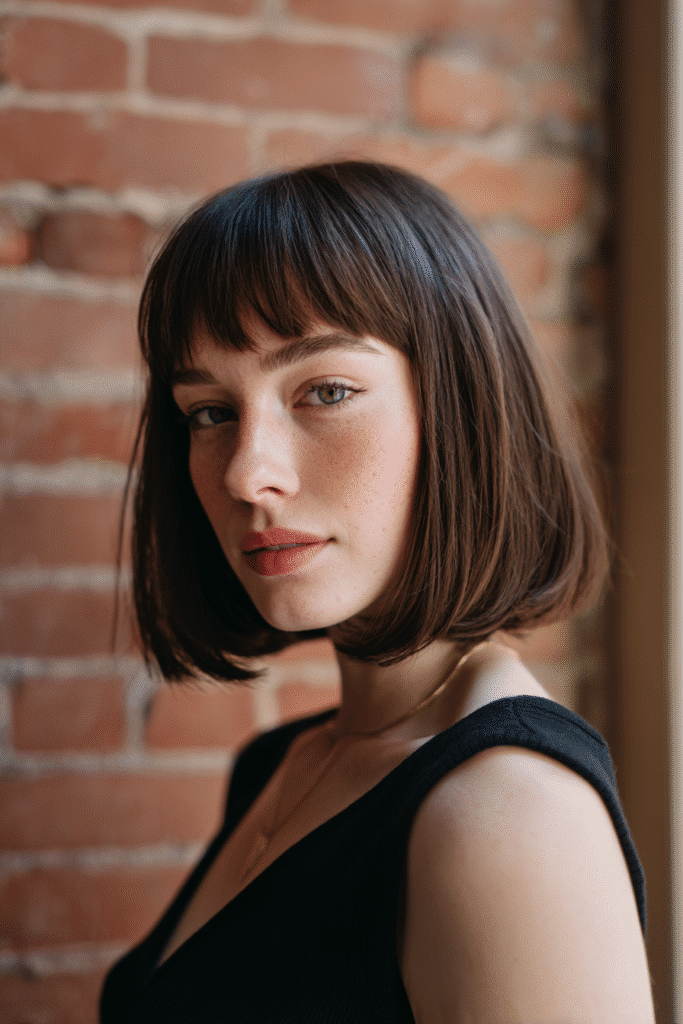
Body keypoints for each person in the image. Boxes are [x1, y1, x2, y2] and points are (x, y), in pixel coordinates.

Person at [100, 160, 655, 1023]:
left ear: (461, 406)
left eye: (324, 391)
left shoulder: (509, 813)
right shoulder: (279, 765)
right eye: (209, 412)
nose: (246, 472)